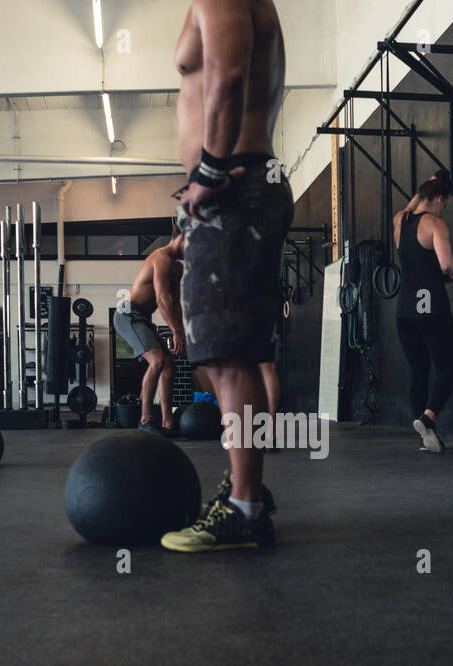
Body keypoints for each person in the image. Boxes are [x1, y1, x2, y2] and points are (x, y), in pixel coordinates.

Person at [161, 0, 292, 553]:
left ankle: (244, 508)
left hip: (231, 184)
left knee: (225, 356)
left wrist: (209, 171)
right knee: (228, 353)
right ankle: (247, 490)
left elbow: (228, 72)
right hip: (234, 187)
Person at [393, 169, 453, 453]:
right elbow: (447, 267)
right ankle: (428, 417)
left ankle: (426, 438)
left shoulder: (400, 221)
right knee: (448, 367)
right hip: (431, 306)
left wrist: (426, 186)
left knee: (418, 371)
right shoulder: (435, 225)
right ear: (440, 198)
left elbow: (410, 207)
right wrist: (449, 276)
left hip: (405, 310)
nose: (444, 209)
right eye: (445, 203)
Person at [113, 229, 186, 436]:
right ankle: (145, 419)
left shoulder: (177, 268)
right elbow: (162, 300)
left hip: (142, 318)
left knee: (169, 367)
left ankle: (167, 423)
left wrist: (180, 333)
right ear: (181, 238)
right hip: (128, 315)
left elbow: (174, 303)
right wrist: (176, 332)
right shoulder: (161, 258)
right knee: (157, 361)